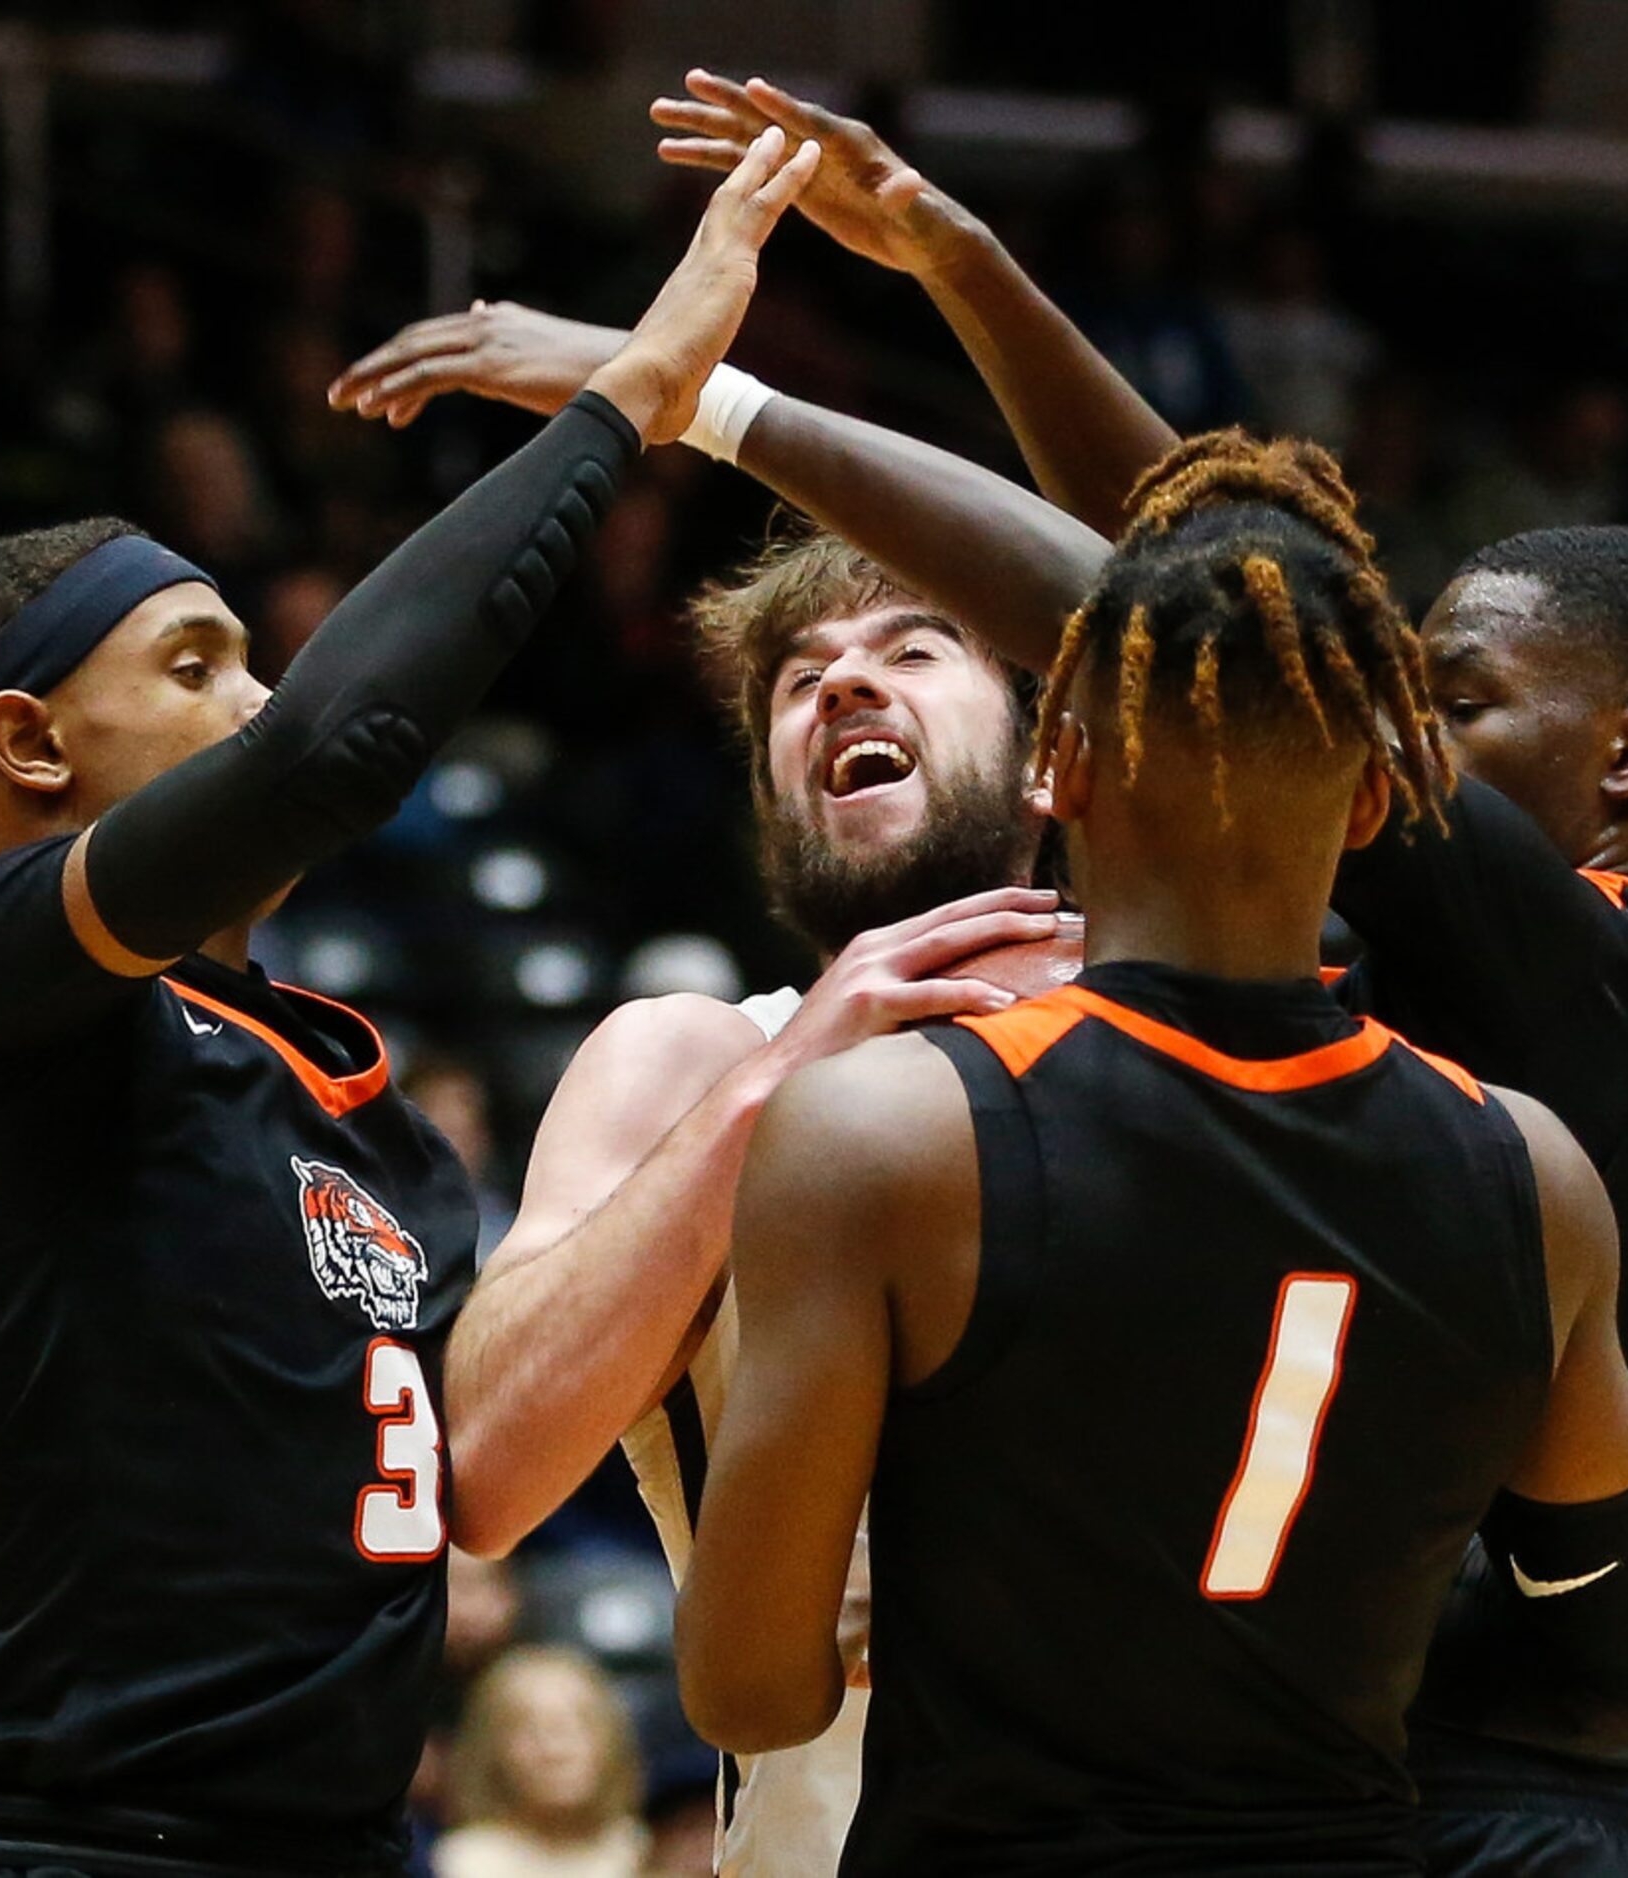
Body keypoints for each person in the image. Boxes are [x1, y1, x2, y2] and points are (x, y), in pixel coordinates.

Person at [333, 76, 1628, 1873]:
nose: (1378, 723)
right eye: (797, 675)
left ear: (1062, 752)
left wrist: (715, 397)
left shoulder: (1520, 1019)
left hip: (1326, 1793)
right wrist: (948, 260)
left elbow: (1220, 594)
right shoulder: (1459, 1099)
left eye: (1446, 703)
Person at [0, 126, 821, 1878]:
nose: (256, 695)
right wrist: (629, 399)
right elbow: (330, 750)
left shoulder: (368, 1111)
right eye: (194, 661)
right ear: (27, 738)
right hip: (81, 1848)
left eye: (252, 658)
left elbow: (474, 1477)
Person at [674, 432, 1628, 1873]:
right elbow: (1609, 1632)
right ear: (1371, 803)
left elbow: (748, 1687)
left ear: (1060, 766)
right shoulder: (1529, 1173)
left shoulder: (882, 1132)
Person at [354, 511, 1064, 1876]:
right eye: (801, 681)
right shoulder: (695, 1057)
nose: (847, 686)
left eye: (913, 649)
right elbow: (488, 1466)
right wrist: (787, 1075)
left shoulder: (1195, 1042)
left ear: (1050, 766)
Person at [435, 1647, 650, 1878]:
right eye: (528, 1732)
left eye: (576, 1728)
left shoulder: (645, 1851)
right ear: (490, 1752)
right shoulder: (463, 1860)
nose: (555, 1752)